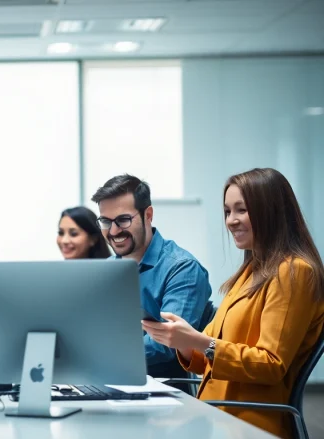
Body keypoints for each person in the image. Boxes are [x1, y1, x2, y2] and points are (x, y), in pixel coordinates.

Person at [143, 168, 324, 439]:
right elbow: (210, 356)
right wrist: (182, 341)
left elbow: (271, 364)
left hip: (248, 422)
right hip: (217, 414)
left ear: (271, 211)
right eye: (227, 211)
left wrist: (199, 341)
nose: (231, 221)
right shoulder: (250, 273)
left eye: (242, 210)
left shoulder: (294, 272)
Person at [91, 174, 211, 382]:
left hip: (164, 391)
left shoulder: (182, 268)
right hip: (108, 379)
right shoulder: (107, 269)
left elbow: (167, 343)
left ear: (148, 215)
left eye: (123, 220)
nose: (113, 230)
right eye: (105, 221)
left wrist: (102, 356)